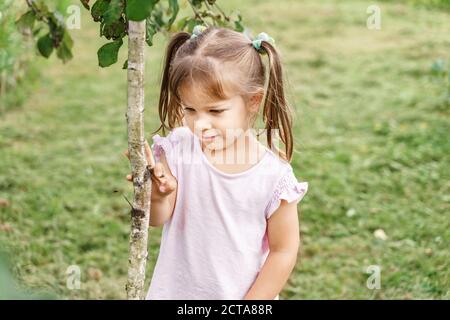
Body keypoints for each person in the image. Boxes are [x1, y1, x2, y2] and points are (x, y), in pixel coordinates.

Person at [124, 25, 308, 300]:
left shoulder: (273, 178)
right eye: (189, 109)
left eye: (215, 110)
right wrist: (160, 194)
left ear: (253, 101)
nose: (201, 124)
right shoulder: (178, 148)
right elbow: (158, 219)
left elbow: (284, 250)